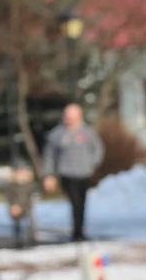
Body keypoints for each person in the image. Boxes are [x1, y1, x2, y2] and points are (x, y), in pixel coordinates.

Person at [42, 103, 104, 242]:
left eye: (72, 116)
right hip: (67, 173)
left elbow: (98, 149)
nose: (69, 118)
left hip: (84, 173)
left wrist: (92, 164)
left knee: (81, 203)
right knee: (75, 202)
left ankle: (80, 231)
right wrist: (49, 175)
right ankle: (77, 233)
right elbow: (49, 155)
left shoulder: (87, 133)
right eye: (67, 115)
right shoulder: (57, 135)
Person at [5, 161, 37, 248]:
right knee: (17, 224)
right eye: (19, 173)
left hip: (27, 207)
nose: (21, 175)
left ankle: (32, 237)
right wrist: (14, 206)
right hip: (15, 208)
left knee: (31, 222)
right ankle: (18, 239)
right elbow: (9, 198)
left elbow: (33, 197)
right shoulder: (12, 186)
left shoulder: (31, 185)